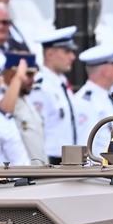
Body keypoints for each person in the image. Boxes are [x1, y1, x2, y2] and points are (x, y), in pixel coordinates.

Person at [29, 27, 88, 164]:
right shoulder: (40, 86)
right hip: (51, 161)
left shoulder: (61, 83)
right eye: (67, 52)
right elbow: (36, 131)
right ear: (50, 54)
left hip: (71, 159)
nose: (72, 57)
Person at [0, 52, 45, 165]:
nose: (33, 80)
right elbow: (3, 112)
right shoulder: (1, 96)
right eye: (28, 75)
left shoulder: (24, 98)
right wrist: (18, 79)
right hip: (20, 175)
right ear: (11, 76)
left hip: (38, 173)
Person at [77, 43, 113, 156]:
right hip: (97, 171)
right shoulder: (86, 102)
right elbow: (83, 148)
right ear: (106, 71)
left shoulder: (103, 96)